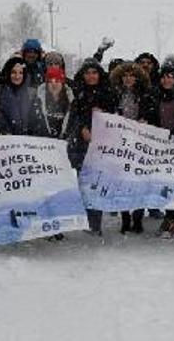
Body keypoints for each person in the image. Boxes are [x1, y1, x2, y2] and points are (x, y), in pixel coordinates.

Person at [69, 60, 116, 235]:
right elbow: (74, 115)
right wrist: (82, 128)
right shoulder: (78, 93)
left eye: (94, 72)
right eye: (87, 72)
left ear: (99, 74)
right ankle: (85, 218)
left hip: (102, 144)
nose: (91, 76)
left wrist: (103, 116)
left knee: (97, 182)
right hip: (81, 143)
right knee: (83, 181)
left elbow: (115, 119)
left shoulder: (108, 93)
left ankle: (95, 223)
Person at [109, 61, 153, 234]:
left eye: (131, 76)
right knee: (122, 181)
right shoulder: (115, 94)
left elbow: (151, 113)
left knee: (139, 181)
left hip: (140, 143)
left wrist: (145, 120)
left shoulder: (145, 95)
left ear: (137, 78)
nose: (128, 79)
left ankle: (138, 218)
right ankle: (125, 217)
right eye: (125, 76)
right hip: (120, 143)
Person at [147, 65, 174, 237]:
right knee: (163, 183)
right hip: (159, 144)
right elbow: (151, 116)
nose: (167, 80)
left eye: (171, 76)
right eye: (164, 76)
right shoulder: (154, 95)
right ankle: (169, 217)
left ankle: (173, 219)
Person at [0, 57, 36, 135]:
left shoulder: (31, 93)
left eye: (20, 73)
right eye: (13, 72)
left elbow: (34, 120)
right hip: (4, 138)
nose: (17, 76)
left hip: (27, 140)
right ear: (8, 73)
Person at [32, 66, 74, 140]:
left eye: (57, 81)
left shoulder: (72, 103)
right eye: (50, 81)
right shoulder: (38, 102)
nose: (54, 84)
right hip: (42, 146)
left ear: (62, 83)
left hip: (63, 147)